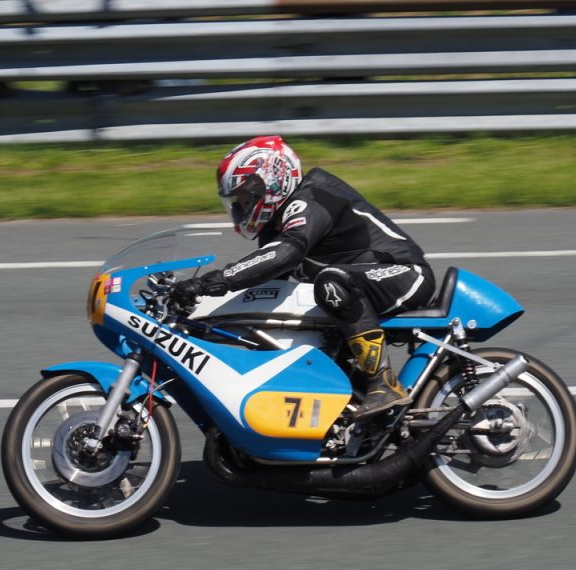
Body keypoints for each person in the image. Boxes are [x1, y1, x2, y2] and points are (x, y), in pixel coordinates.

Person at [172, 135, 436, 419]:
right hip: (360, 285)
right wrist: (200, 315)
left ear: (273, 180)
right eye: (237, 200)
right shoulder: (276, 224)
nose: (241, 207)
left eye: (246, 196)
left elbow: (284, 255)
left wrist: (208, 283)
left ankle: (384, 383)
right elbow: (266, 284)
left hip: (405, 275)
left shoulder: (311, 198)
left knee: (331, 283)